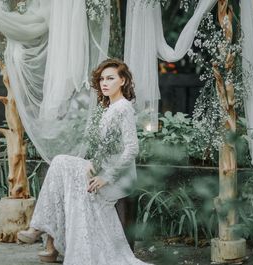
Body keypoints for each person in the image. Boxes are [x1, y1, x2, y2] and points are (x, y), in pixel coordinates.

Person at [17, 59, 151, 265]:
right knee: (61, 169)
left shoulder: (123, 108)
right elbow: (107, 149)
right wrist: (93, 164)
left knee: (61, 164)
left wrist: (106, 177)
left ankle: (42, 233)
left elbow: (132, 149)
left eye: (110, 78)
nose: (104, 83)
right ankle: (46, 239)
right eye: (102, 79)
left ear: (123, 81)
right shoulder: (110, 108)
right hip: (103, 168)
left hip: (117, 178)